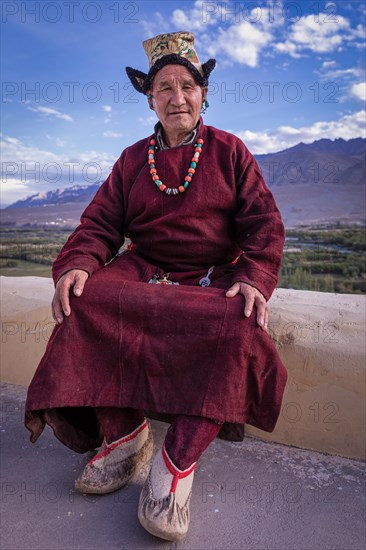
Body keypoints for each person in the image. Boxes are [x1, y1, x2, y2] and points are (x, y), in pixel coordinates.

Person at [25, 31, 288, 542]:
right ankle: (125, 436)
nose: (177, 97)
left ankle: (176, 463)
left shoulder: (231, 151)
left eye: (187, 85)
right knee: (85, 299)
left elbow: (264, 223)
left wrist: (255, 275)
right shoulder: (131, 159)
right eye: (164, 87)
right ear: (150, 98)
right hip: (144, 268)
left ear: (203, 93)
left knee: (236, 325)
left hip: (214, 273)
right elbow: (100, 222)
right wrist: (80, 260)